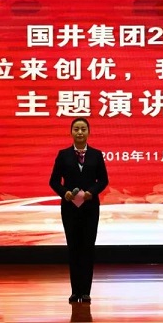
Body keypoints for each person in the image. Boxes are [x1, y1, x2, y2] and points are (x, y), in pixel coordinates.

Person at [49, 117, 109, 304]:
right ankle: (75, 291)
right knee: (74, 248)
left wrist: (92, 192)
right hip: (70, 208)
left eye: (83, 129)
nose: (80, 132)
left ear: (88, 132)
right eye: (76, 129)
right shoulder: (63, 155)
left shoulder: (96, 155)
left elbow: (103, 180)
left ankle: (86, 292)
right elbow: (53, 181)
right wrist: (64, 193)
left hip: (90, 208)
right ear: (71, 132)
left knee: (88, 249)